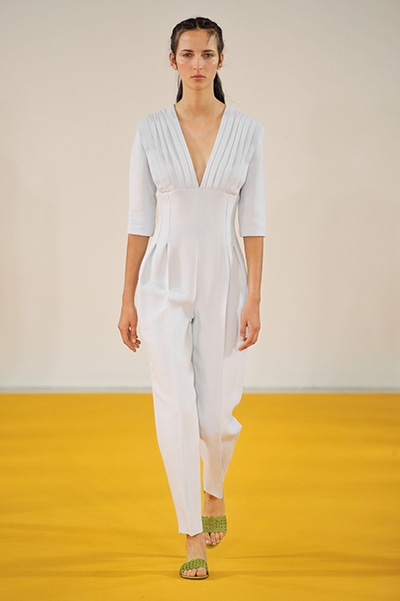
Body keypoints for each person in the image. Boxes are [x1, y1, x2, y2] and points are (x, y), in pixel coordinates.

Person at [118, 16, 265, 580]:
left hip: (226, 282)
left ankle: (214, 487)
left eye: (207, 54)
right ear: (173, 60)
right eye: (188, 54)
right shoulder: (150, 129)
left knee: (217, 414)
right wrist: (127, 298)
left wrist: (254, 298)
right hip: (161, 283)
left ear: (221, 60)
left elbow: (254, 221)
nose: (197, 64)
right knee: (176, 407)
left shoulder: (247, 130)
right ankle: (191, 534)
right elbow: (139, 220)